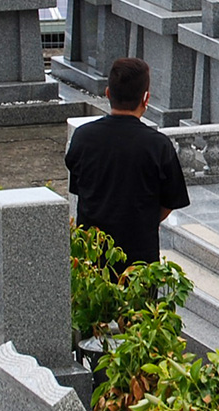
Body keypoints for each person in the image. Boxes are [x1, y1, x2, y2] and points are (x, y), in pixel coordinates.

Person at [65, 56, 189, 267]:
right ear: (146, 99)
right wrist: (145, 220)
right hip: (140, 255)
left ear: (107, 93)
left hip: (92, 253)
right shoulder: (158, 145)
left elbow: (79, 188)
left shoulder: (83, 137)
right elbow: (170, 201)